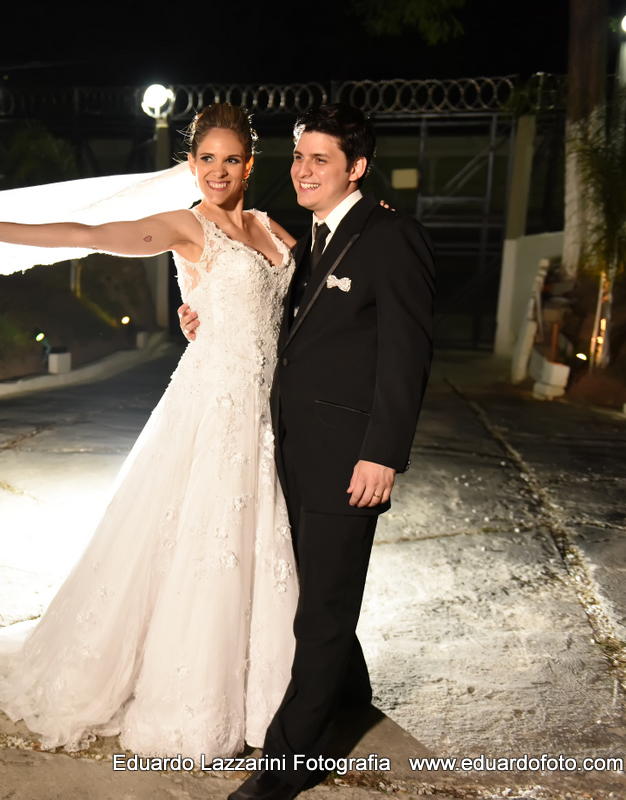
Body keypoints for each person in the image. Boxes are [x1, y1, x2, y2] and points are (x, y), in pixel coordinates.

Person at [0, 103, 301, 758]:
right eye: (206, 159)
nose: (218, 171)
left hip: (266, 410)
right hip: (212, 408)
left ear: (250, 165)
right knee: (200, 542)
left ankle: (265, 699)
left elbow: (304, 304)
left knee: (255, 547)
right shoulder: (186, 226)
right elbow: (93, 231)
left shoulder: (269, 229)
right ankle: (191, 705)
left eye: (231, 159)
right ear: (190, 165)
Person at [183, 104, 435, 800]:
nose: (302, 170)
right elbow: (283, 325)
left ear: (356, 167)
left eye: (319, 159)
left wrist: (382, 453)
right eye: (298, 158)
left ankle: (289, 762)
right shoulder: (313, 240)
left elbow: (405, 357)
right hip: (288, 445)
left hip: (348, 455)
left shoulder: (391, 236)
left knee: (322, 607)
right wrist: (205, 316)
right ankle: (349, 692)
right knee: (313, 587)